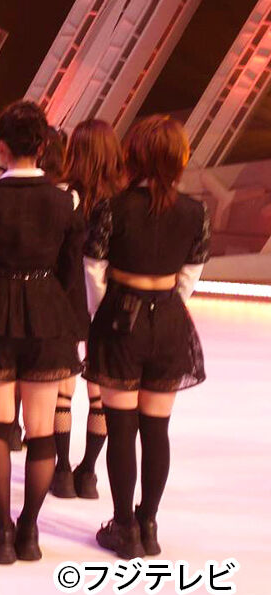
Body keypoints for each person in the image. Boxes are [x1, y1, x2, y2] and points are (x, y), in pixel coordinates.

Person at [0, 101, 87, 564]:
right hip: (48, 316)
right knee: (41, 431)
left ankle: (3, 532)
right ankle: (30, 532)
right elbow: (72, 274)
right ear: (44, 145)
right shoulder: (67, 202)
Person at [84, 115, 208, 559]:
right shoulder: (195, 211)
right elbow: (192, 270)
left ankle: (124, 528)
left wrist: (104, 313)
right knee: (157, 429)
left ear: (133, 155)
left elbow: (93, 268)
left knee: (121, 428)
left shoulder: (112, 208)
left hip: (122, 318)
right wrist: (168, 302)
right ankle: (148, 524)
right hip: (169, 319)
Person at [51, 119, 127, 499]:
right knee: (100, 393)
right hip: (109, 302)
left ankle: (62, 470)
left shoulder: (64, 196)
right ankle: (88, 473)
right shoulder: (123, 201)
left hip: (66, 299)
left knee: (62, 392)